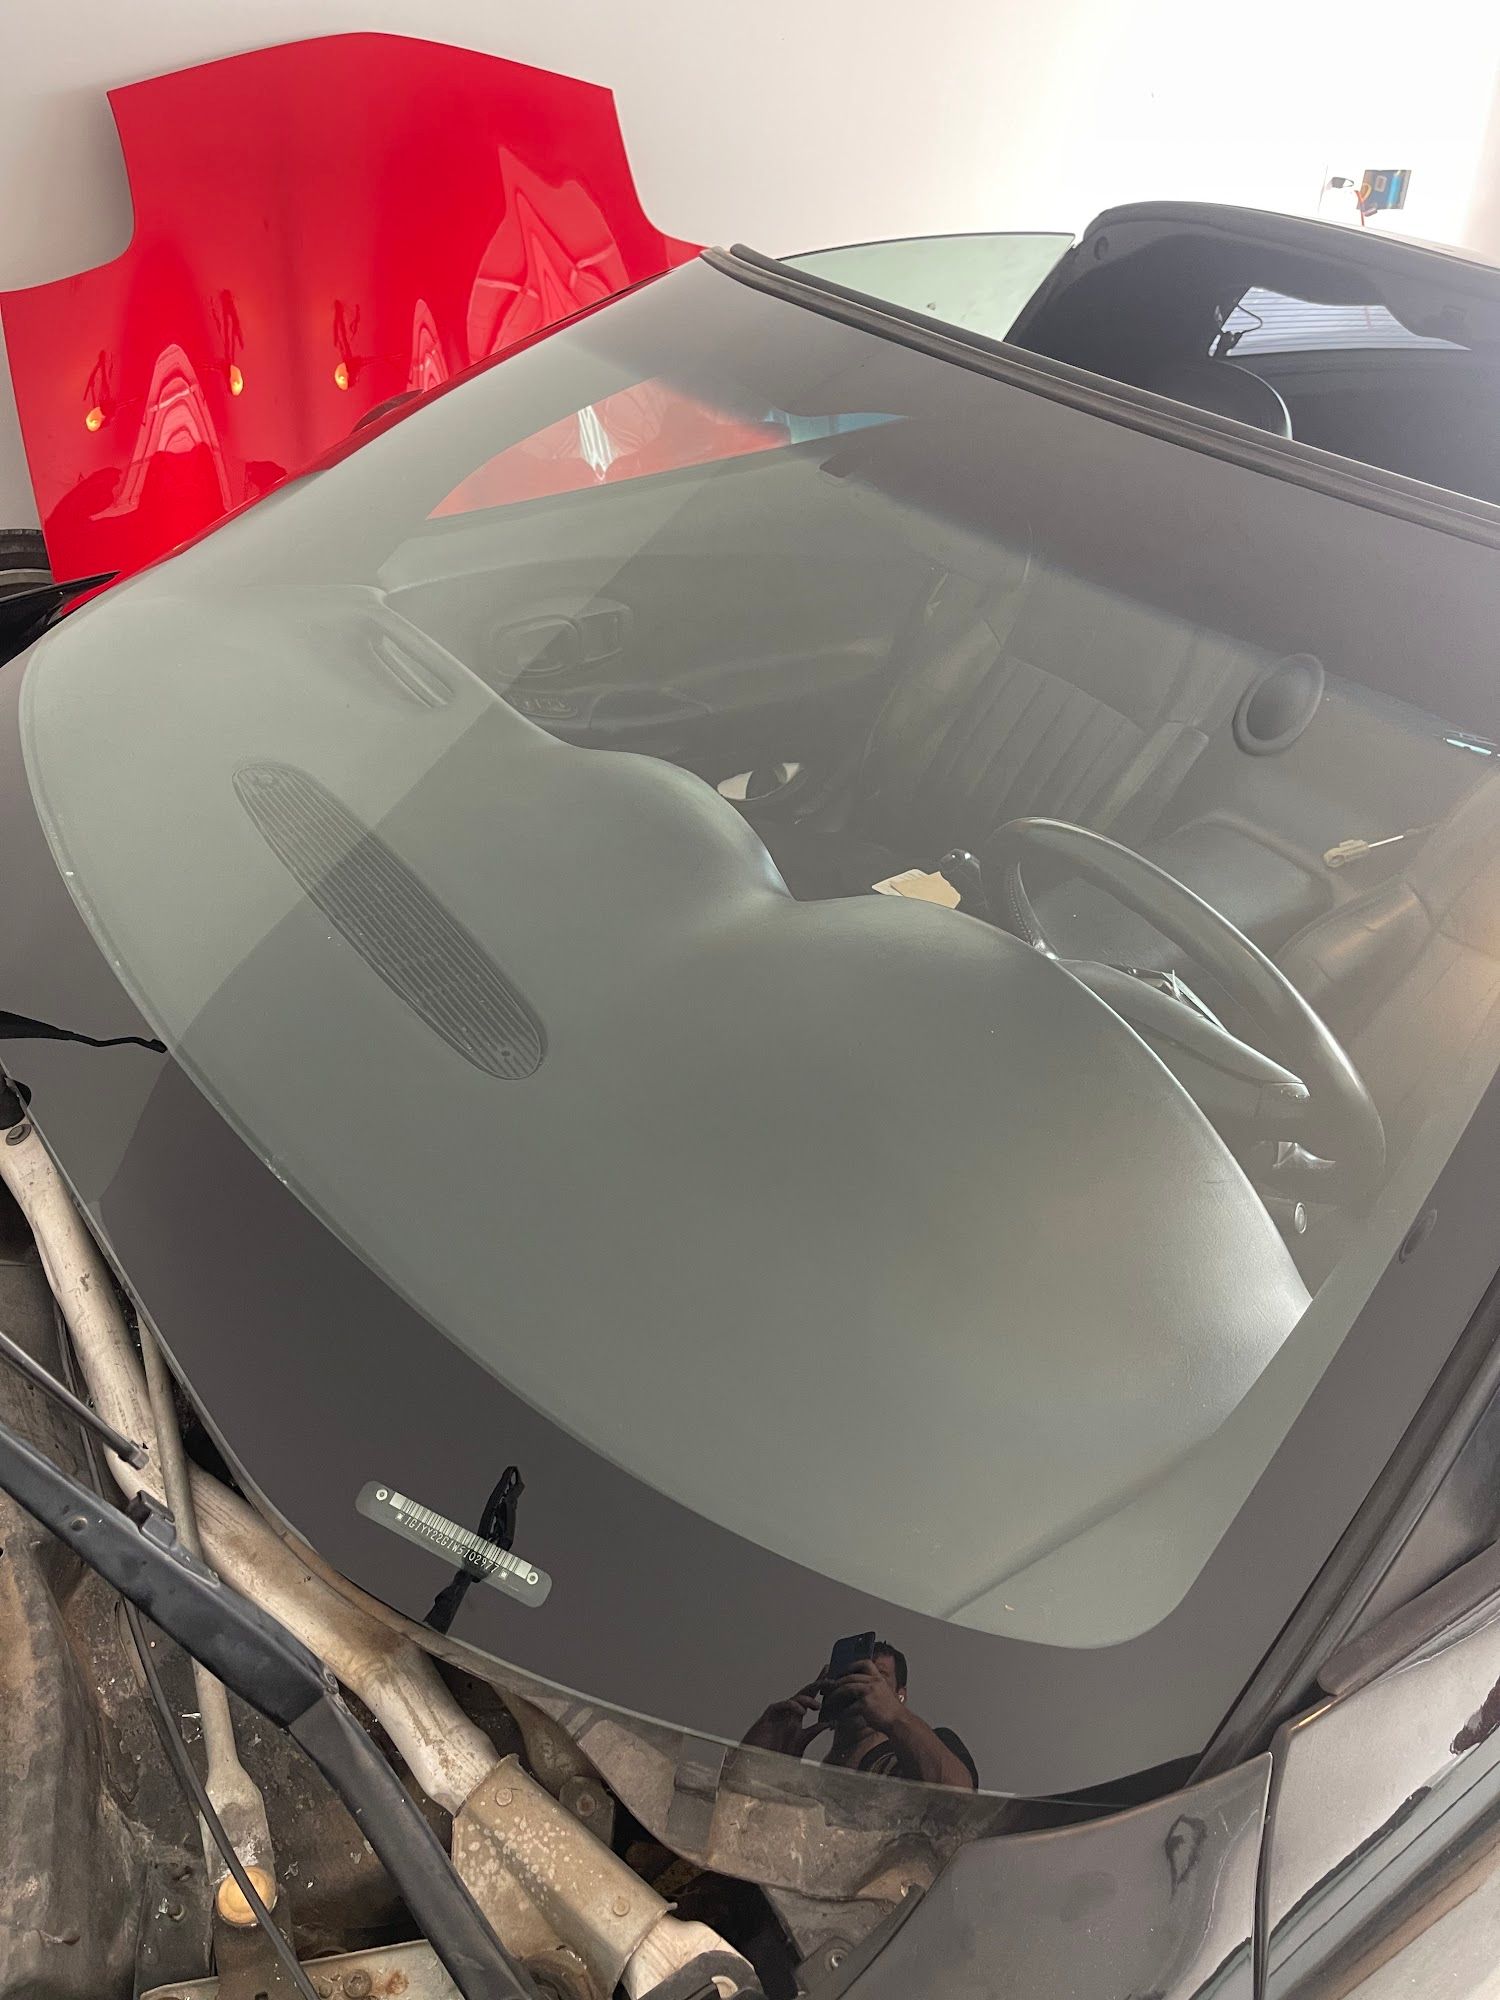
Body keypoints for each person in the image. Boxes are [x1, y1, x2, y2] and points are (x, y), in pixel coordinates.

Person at [743, 1642, 978, 1789]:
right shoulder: (806, 1777)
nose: (860, 1682)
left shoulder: (935, 1745)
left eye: (878, 1677)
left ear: (900, 1695)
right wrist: (769, 1759)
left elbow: (959, 1800)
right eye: (853, 1673)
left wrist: (896, 1717)